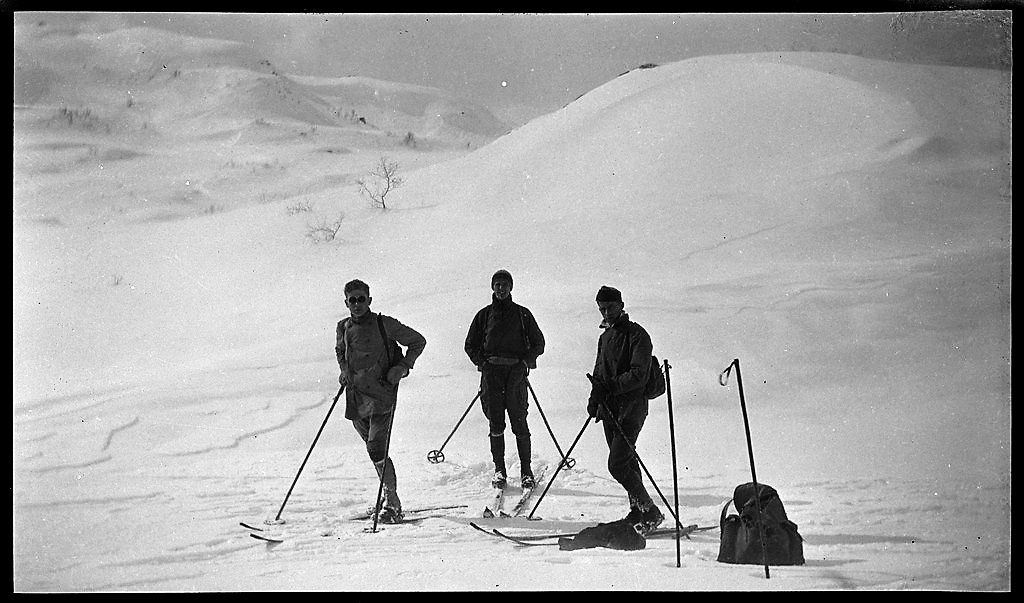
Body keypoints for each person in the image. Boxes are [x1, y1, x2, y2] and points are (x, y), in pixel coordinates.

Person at [336, 279, 426, 523]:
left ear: (369, 300)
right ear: (346, 302)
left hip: (382, 394)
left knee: (376, 446)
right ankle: (387, 495)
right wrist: (344, 371)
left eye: (361, 299)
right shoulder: (343, 327)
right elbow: (340, 351)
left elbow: (418, 341)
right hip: (356, 397)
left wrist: (402, 367)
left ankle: (393, 503)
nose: (356, 304)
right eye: (352, 300)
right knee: (373, 448)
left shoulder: (384, 324)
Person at [586, 285, 664, 534]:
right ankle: (637, 511)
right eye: (601, 309)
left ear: (621, 305)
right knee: (628, 460)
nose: (605, 313)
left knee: (617, 464)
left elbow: (639, 375)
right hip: (610, 409)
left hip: (632, 408)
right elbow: (599, 372)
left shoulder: (637, 335)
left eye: (609, 307)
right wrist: (595, 398)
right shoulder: (604, 338)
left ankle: (650, 510)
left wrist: (609, 387)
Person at [464, 270, 546, 490]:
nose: (501, 288)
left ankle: (526, 472)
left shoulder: (522, 314)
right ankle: (499, 470)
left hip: (515, 375)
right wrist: (482, 362)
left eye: (504, 285)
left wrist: (524, 363)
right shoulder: (484, 315)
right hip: (492, 376)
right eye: (497, 284)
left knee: (519, 421)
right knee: (496, 422)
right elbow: (470, 345)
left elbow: (539, 343)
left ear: (511, 287)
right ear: (493, 287)